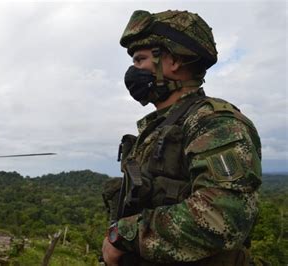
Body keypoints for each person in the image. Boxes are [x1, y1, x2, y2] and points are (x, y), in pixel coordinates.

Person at [101, 10, 262, 266]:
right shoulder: (159, 128)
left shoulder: (215, 123)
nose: (133, 70)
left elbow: (225, 216)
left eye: (139, 59)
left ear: (173, 61)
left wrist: (125, 234)